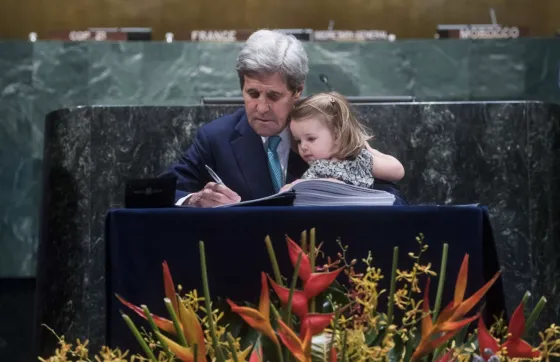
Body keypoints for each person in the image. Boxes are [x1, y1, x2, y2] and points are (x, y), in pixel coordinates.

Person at [164, 29, 406, 207]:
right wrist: (192, 200)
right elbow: (166, 192)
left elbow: (391, 195)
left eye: (273, 96)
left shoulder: (326, 130)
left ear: (297, 92)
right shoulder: (215, 137)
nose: (261, 107)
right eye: (252, 93)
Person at [283, 91, 392, 190]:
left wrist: (372, 152)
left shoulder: (359, 159)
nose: (303, 147)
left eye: (311, 139)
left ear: (337, 135)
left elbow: (397, 171)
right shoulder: (316, 169)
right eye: (298, 141)